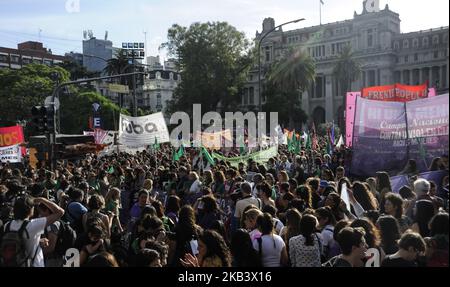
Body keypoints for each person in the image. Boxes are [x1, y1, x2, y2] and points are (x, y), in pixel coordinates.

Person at [1, 196, 64, 267]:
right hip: (33, 264)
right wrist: (42, 200)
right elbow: (60, 212)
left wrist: (38, 241)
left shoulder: (7, 225)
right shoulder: (34, 224)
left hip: (11, 263)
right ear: (30, 210)